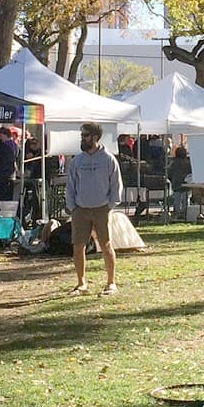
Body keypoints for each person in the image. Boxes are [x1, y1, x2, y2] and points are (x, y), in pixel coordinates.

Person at [66, 122, 123, 294]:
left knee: (106, 245)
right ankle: (81, 283)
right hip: (80, 210)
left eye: (86, 135)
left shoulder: (108, 159)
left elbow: (116, 185)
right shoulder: (77, 161)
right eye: (81, 135)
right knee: (78, 246)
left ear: (95, 137)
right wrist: (72, 207)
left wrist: (109, 206)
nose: (82, 139)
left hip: (101, 209)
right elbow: (71, 185)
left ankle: (111, 282)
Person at [165, 145, 193, 221]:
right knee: (186, 199)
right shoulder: (188, 163)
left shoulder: (173, 163)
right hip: (186, 184)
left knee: (177, 199)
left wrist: (172, 179)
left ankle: (176, 214)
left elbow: (169, 172)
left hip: (176, 183)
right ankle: (185, 214)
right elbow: (191, 173)